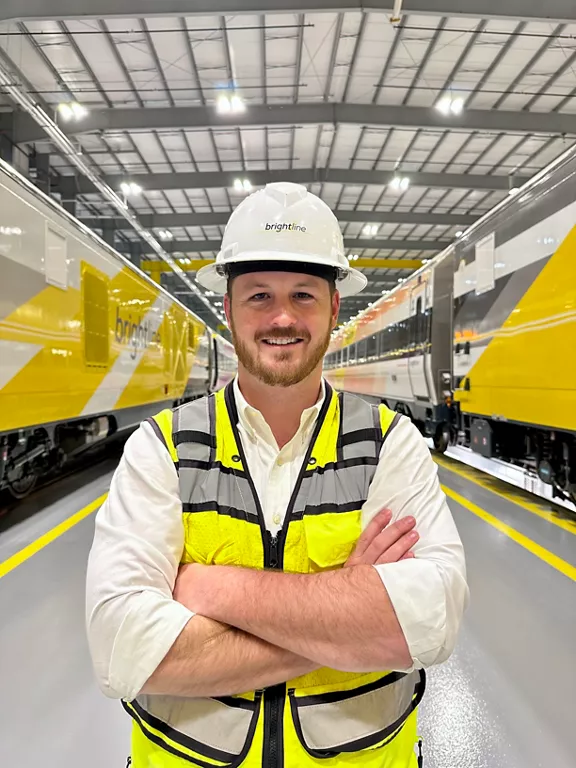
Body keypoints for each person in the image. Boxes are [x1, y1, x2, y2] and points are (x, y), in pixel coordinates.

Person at [86, 182, 468, 768]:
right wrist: (348, 615)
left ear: (335, 308)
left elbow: (430, 624)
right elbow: (122, 651)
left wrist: (214, 588)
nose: (283, 317)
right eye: (260, 295)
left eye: (305, 295)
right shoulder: (160, 448)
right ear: (228, 308)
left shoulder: (393, 444)